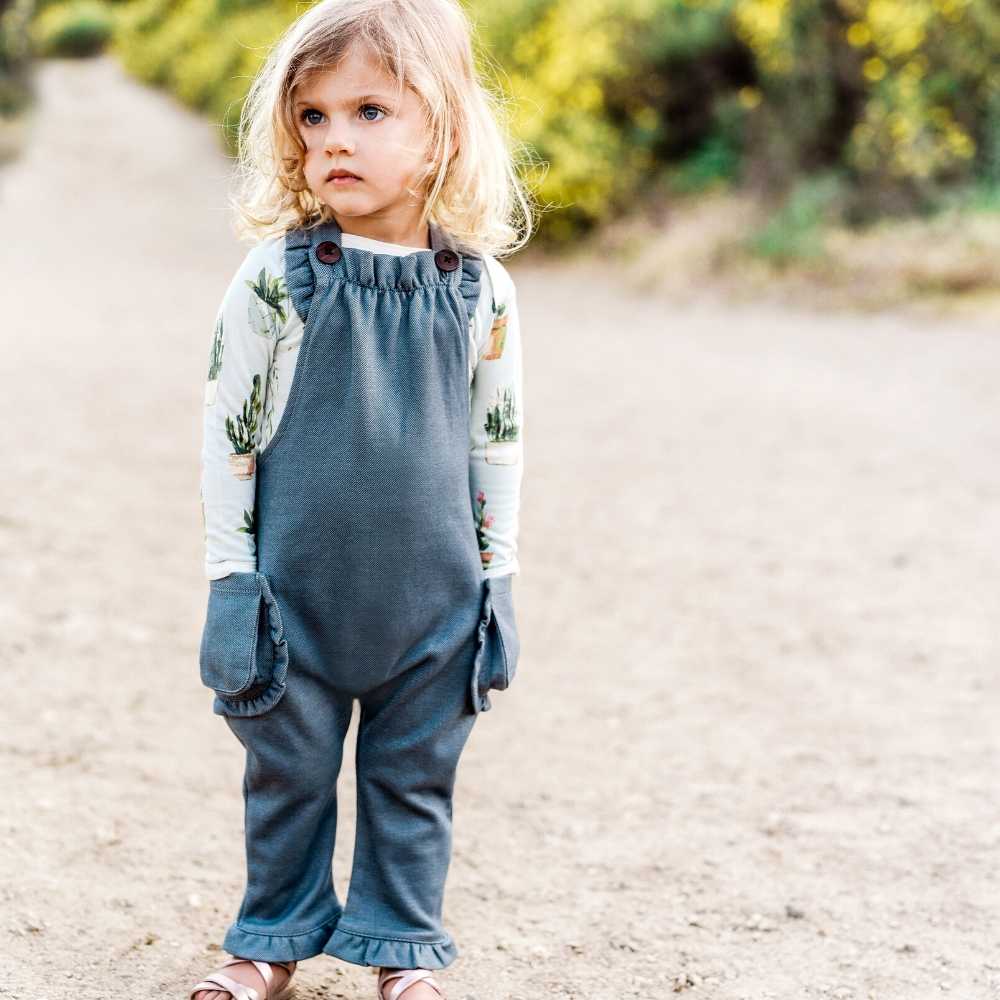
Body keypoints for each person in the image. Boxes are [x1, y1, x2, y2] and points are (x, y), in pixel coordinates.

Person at [190, 1, 533, 998]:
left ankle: (401, 949)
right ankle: (270, 939)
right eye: (313, 117)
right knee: (287, 776)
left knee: (412, 781)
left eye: (370, 110)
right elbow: (230, 437)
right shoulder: (276, 281)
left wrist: (495, 581)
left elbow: (496, 444)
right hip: (293, 599)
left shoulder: (482, 292)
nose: (334, 138)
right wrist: (231, 578)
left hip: (433, 604)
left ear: (444, 130)